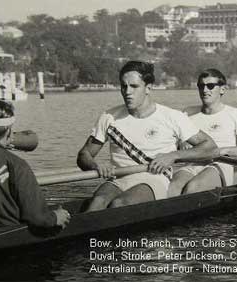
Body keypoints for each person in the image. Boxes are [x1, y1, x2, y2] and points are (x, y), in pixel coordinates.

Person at [77, 61, 218, 211]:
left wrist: (173, 156)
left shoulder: (172, 117)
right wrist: (96, 166)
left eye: (134, 86)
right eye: (124, 86)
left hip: (154, 178)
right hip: (118, 178)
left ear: (148, 88)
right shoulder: (109, 117)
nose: (127, 92)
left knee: (119, 205)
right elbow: (84, 155)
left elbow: (210, 147)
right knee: (96, 204)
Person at [0, 99, 70, 228]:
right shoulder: (17, 165)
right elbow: (37, 218)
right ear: (8, 131)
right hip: (6, 239)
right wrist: (55, 217)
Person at [168, 69, 237, 197]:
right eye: (201, 86)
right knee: (172, 189)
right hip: (192, 163)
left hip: (220, 163)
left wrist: (221, 151)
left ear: (222, 89)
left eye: (210, 86)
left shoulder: (235, 114)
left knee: (193, 187)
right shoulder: (187, 113)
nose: (205, 90)